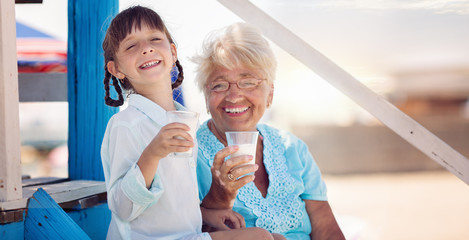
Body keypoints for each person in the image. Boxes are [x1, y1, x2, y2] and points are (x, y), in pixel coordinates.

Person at [100, 6, 275, 240]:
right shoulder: (126, 125)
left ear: (173, 53)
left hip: (186, 235)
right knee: (261, 237)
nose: (146, 48)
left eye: (154, 38)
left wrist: (204, 215)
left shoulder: (183, 120)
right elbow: (123, 208)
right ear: (116, 69)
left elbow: (171, 206)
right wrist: (152, 154)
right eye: (132, 46)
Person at [192, 23, 346, 239]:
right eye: (219, 85)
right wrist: (219, 196)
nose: (234, 96)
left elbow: (326, 228)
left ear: (270, 94)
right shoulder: (187, 154)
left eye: (248, 82)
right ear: (206, 98)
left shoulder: (292, 147)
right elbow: (186, 234)